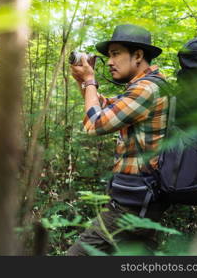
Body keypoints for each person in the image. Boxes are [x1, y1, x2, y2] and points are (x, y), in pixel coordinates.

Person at [67, 24, 169, 256]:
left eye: (115, 54)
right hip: (141, 200)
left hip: (131, 206)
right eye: (108, 56)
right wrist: (83, 81)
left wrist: (90, 81)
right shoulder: (144, 87)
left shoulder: (147, 89)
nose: (110, 61)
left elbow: (96, 124)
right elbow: (105, 107)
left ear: (138, 56)